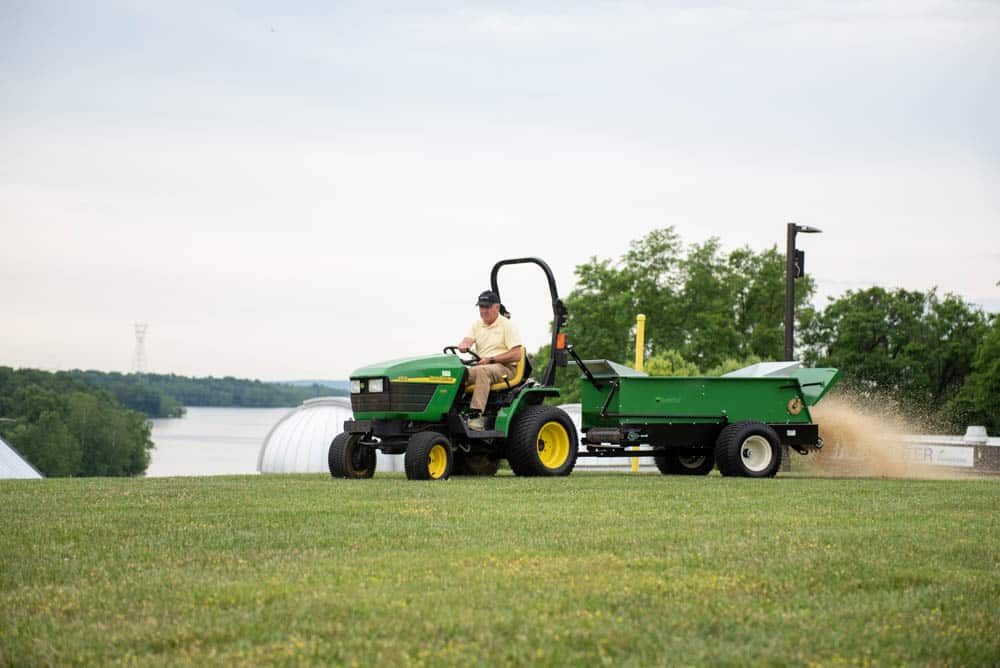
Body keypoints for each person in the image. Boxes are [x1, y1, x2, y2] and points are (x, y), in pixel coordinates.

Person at [457, 290, 523, 431]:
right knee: (457, 373)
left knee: (483, 371)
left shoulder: (507, 325)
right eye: (481, 307)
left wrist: (491, 360)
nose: (483, 311)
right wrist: (464, 345)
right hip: (483, 365)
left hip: (505, 368)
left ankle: (475, 416)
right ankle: (454, 412)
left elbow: (517, 354)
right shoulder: (477, 325)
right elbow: (468, 339)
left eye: (487, 307)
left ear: (497, 307)